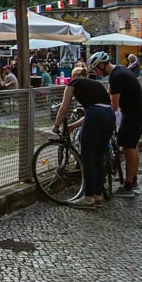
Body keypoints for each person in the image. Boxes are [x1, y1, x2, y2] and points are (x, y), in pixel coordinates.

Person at [87, 51, 142, 197]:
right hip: (136, 110)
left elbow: (113, 106)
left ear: (102, 64)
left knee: (128, 147)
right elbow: (109, 93)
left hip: (135, 113)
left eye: (95, 68)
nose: (95, 72)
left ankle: (128, 185)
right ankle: (132, 178)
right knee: (132, 145)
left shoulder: (116, 76)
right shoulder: (118, 70)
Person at [52, 66, 115, 209]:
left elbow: (64, 107)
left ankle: (88, 198)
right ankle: (98, 195)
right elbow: (100, 107)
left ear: (73, 77)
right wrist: (73, 126)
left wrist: (56, 125)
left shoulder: (72, 84)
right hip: (109, 115)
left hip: (95, 115)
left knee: (87, 157)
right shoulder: (96, 84)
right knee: (98, 157)